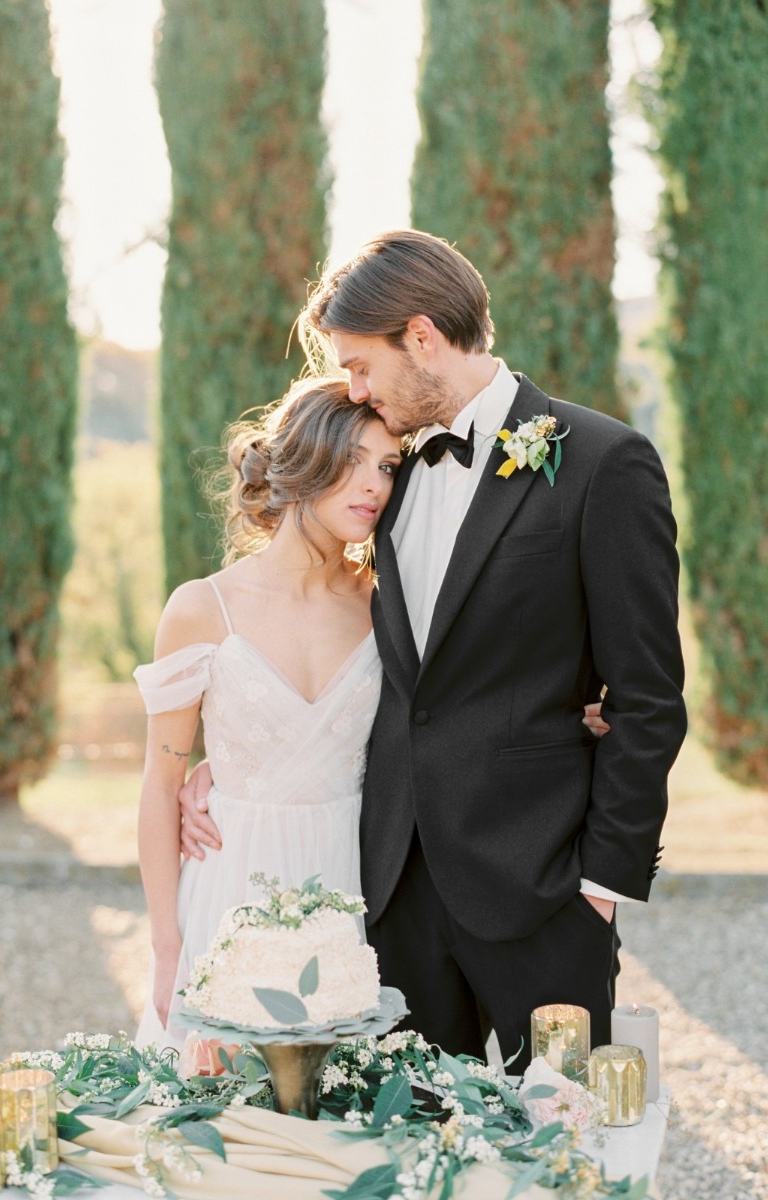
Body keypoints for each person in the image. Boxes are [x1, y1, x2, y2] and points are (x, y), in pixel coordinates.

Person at [182, 229, 686, 1072]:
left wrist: (601, 886)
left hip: (542, 889)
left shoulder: (604, 465)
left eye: (359, 364)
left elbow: (649, 696)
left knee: (563, 1148)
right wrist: (226, 762)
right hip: (392, 894)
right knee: (405, 1147)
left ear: (421, 338)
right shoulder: (385, 468)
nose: (353, 387)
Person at [133, 376, 402, 1050]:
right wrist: (168, 950)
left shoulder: (387, 601)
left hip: (347, 886)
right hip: (231, 882)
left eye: (388, 466)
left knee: (331, 1116)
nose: (375, 486)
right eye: (354, 462)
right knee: (217, 1118)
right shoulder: (203, 608)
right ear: (306, 462)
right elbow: (160, 787)